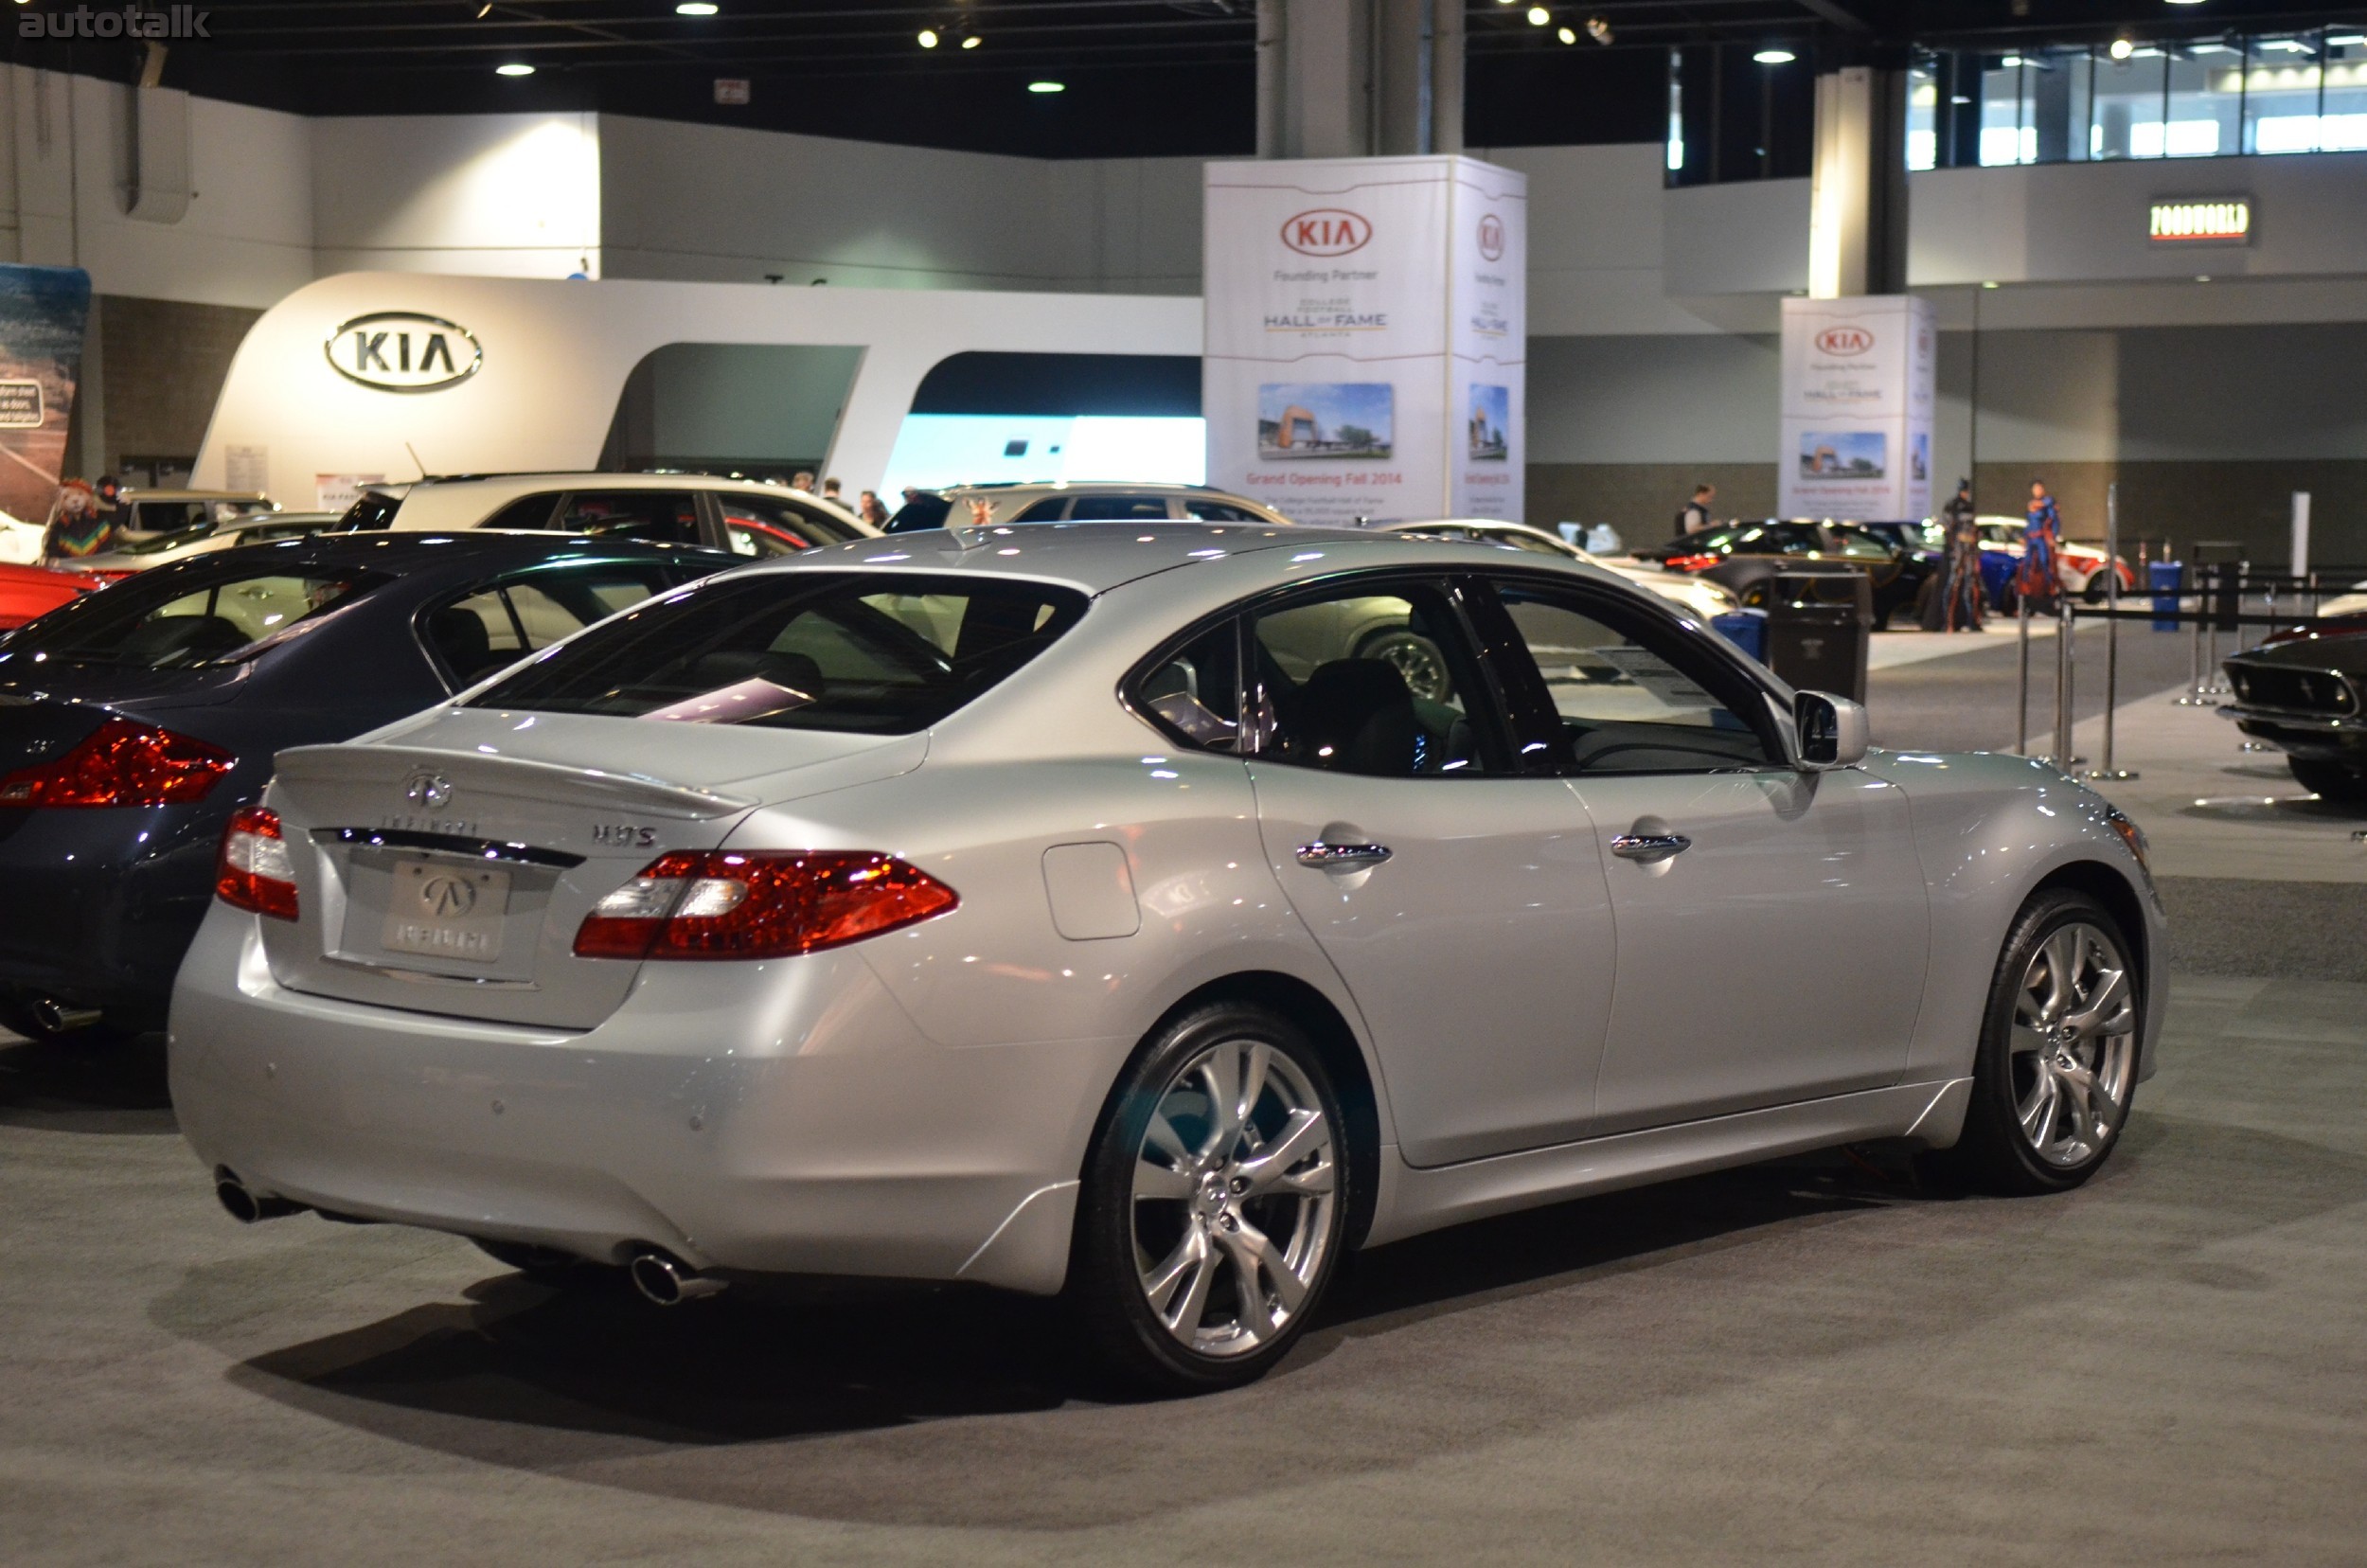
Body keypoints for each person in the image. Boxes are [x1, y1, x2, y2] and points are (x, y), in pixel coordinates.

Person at [1924, 478, 1984, 632]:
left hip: (1965, 551)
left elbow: (1971, 530)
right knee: (1954, 586)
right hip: (1957, 552)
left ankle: (1967, 621)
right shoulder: (1953, 506)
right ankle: (1949, 621)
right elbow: (1950, 529)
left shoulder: (1965, 507)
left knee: (1967, 587)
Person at [43, 479, 117, 560]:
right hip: (68, 568)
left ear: (88, 497)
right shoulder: (61, 524)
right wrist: (53, 558)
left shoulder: (99, 518)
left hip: (98, 566)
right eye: (66, 497)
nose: (75, 501)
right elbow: (52, 546)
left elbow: (107, 544)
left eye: (80, 494)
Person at [2019, 479, 2062, 614]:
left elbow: (2054, 520)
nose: (2037, 491)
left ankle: (2050, 588)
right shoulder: (2031, 505)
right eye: (2035, 489)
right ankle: (2027, 591)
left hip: (2041, 538)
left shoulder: (2048, 502)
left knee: (2044, 562)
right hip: (2032, 538)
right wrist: (2024, 536)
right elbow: (2029, 523)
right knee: (2027, 563)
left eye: (2039, 488)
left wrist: (2052, 537)